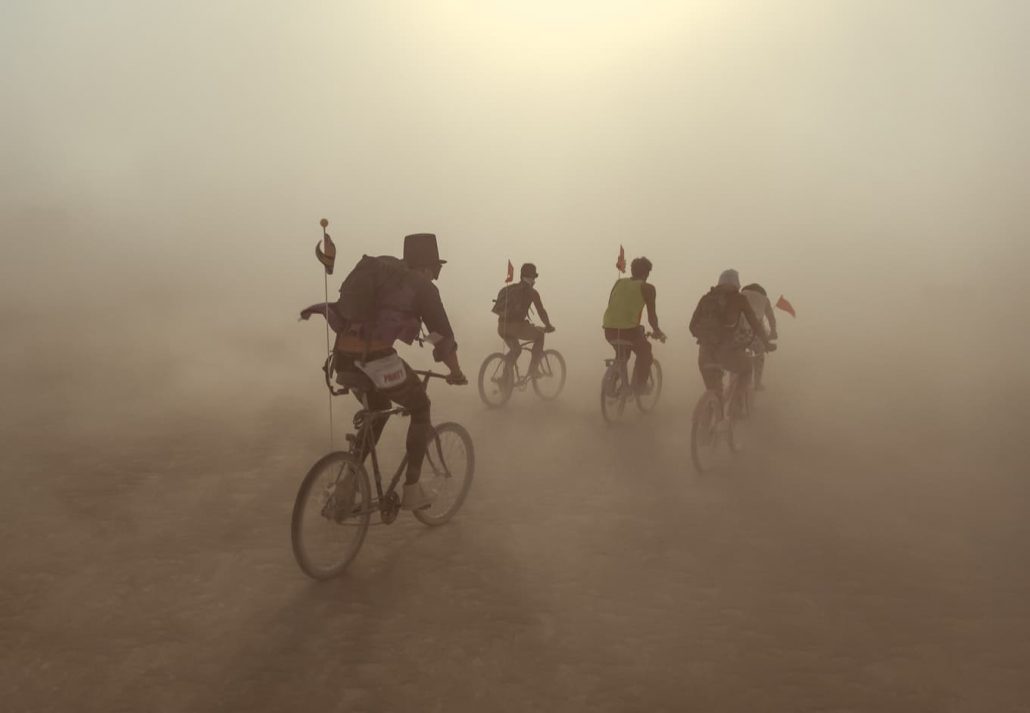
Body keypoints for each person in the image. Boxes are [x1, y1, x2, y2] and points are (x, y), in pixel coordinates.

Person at [300, 233, 467, 511]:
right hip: (376, 362)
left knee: (379, 407)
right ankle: (412, 490)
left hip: (343, 360)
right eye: (435, 270)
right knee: (420, 406)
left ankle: (348, 481)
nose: (435, 277)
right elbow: (442, 339)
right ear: (427, 267)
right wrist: (456, 371)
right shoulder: (422, 287)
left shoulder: (382, 274)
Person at [689, 269, 775, 414]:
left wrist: (707, 338)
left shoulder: (706, 298)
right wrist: (766, 343)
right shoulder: (739, 299)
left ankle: (710, 417)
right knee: (747, 369)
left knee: (715, 390)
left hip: (704, 353)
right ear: (736, 283)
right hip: (726, 352)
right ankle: (737, 406)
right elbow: (755, 323)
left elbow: (692, 327)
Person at [602, 257, 667, 393]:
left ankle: (612, 383)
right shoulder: (647, 288)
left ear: (632, 270)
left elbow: (611, 303)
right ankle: (640, 385)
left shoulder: (619, 282)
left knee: (622, 355)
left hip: (609, 329)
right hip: (629, 331)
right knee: (645, 352)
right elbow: (651, 317)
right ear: (647, 273)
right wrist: (658, 331)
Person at [493, 263, 555, 377]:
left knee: (516, 350)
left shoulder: (509, 289)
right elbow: (541, 311)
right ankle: (533, 369)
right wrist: (548, 326)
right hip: (516, 328)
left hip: (502, 327)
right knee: (540, 336)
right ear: (531, 278)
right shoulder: (532, 292)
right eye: (534, 278)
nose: (535, 280)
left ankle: (505, 380)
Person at [739, 283, 777, 390]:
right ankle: (757, 383)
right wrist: (773, 332)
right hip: (752, 333)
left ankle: (731, 383)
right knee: (760, 352)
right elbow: (771, 318)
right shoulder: (765, 299)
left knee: (736, 352)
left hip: (736, 332)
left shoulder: (740, 295)